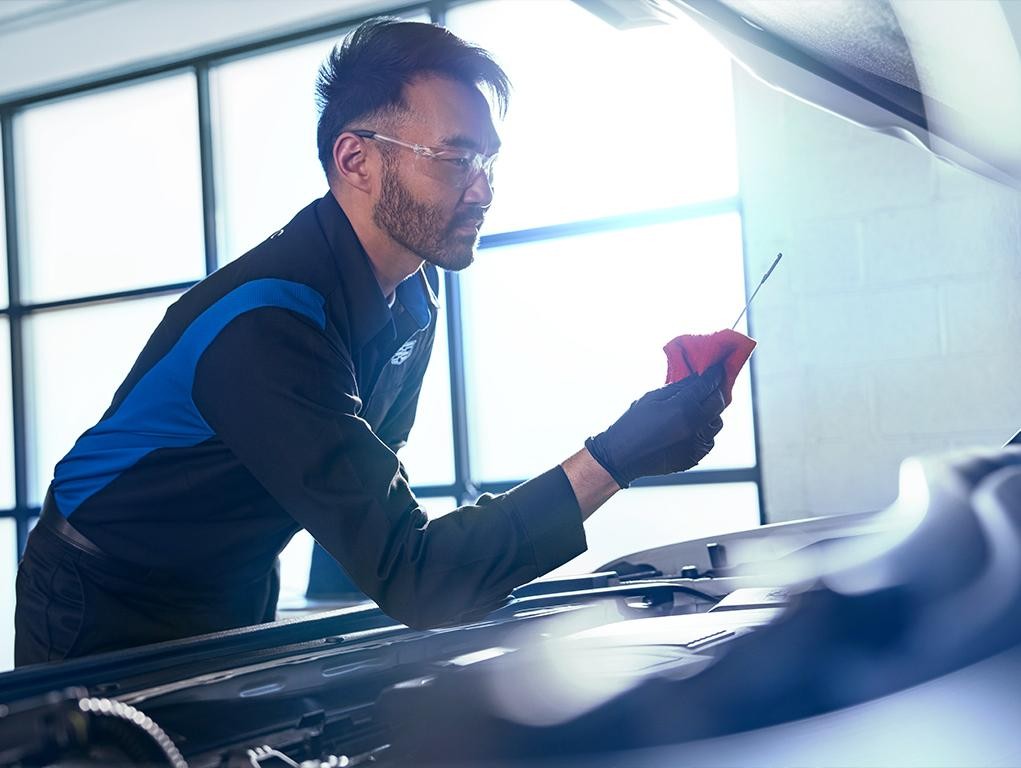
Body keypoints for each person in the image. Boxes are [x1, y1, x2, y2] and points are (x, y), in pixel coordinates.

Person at [13, 18, 726, 666]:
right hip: (102, 593)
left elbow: (371, 477)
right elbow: (414, 575)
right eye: (454, 159)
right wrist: (616, 456)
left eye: (487, 161)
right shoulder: (266, 325)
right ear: (355, 160)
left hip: (236, 576)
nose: (482, 192)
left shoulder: (416, 290)